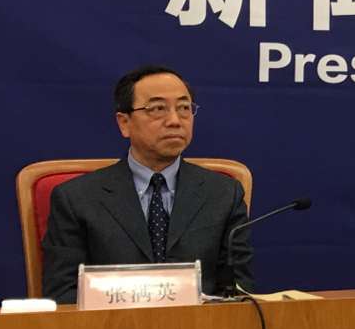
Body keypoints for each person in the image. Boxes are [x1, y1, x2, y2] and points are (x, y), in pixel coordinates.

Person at [41, 65, 253, 301]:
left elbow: (238, 294)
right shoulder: (76, 199)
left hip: (201, 323)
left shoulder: (224, 194)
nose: (175, 120)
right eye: (158, 109)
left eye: (184, 108)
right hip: (110, 323)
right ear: (124, 123)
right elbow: (63, 294)